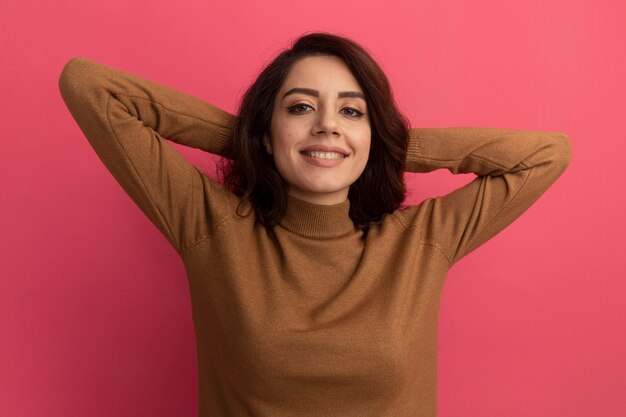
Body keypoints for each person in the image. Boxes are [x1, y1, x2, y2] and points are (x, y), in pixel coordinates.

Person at [58, 32, 571, 417]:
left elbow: (547, 155)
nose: (327, 123)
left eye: (352, 111)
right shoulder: (212, 227)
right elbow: (89, 85)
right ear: (265, 129)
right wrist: (253, 138)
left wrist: (378, 145)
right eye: (301, 107)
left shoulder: (420, 242)